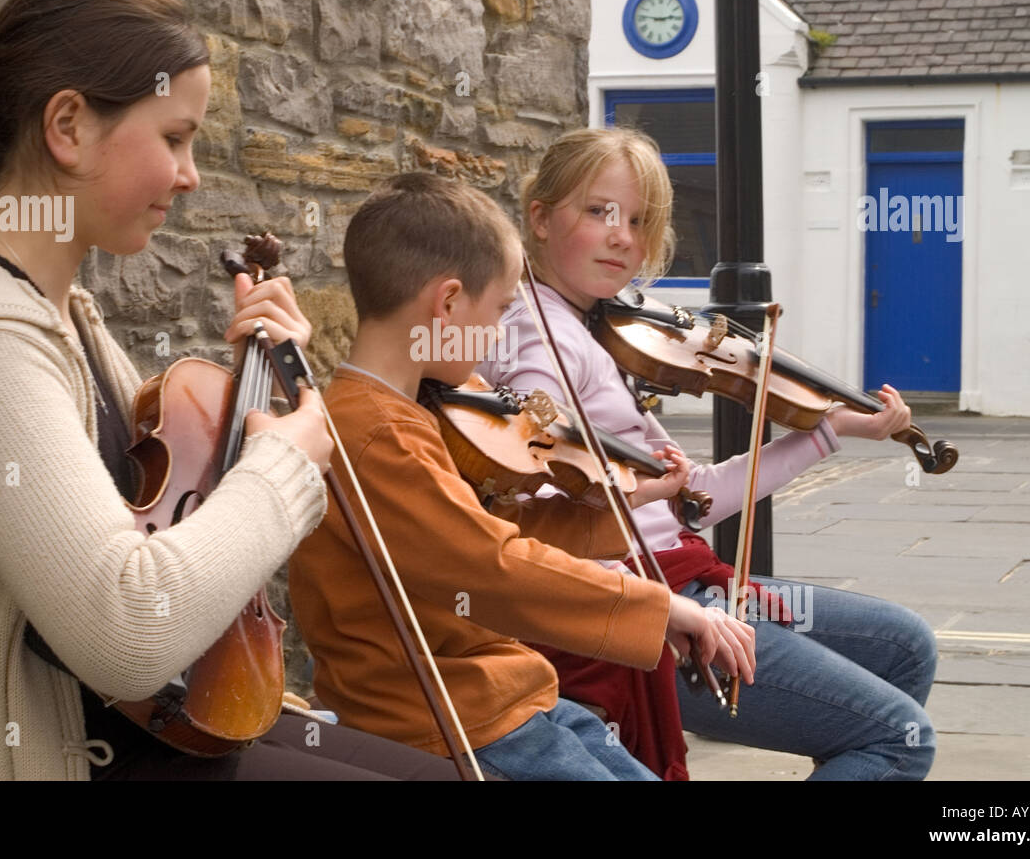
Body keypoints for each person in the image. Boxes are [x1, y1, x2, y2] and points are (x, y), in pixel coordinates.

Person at [0, 0, 455, 781]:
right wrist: (284, 466)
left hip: (154, 738)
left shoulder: (63, 315)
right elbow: (132, 629)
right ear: (71, 126)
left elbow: (163, 531)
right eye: (176, 137)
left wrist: (254, 396)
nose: (190, 174)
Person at [475, 126, 938, 780]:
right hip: (652, 602)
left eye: (638, 220)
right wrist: (648, 513)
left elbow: (697, 499)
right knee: (903, 736)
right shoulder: (536, 336)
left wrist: (829, 428)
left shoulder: (585, 328)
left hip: (689, 572)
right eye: (599, 211)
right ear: (542, 217)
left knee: (905, 646)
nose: (622, 237)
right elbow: (537, 487)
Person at [287, 171, 757, 781]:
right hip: (456, 725)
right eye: (502, 309)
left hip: (510, 701)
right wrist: (663, 607)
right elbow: (490, 564)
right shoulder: (373, 433)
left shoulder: (404, 416)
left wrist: (623, 508)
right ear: (448, 302)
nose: (499, 336)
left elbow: (500, 525)